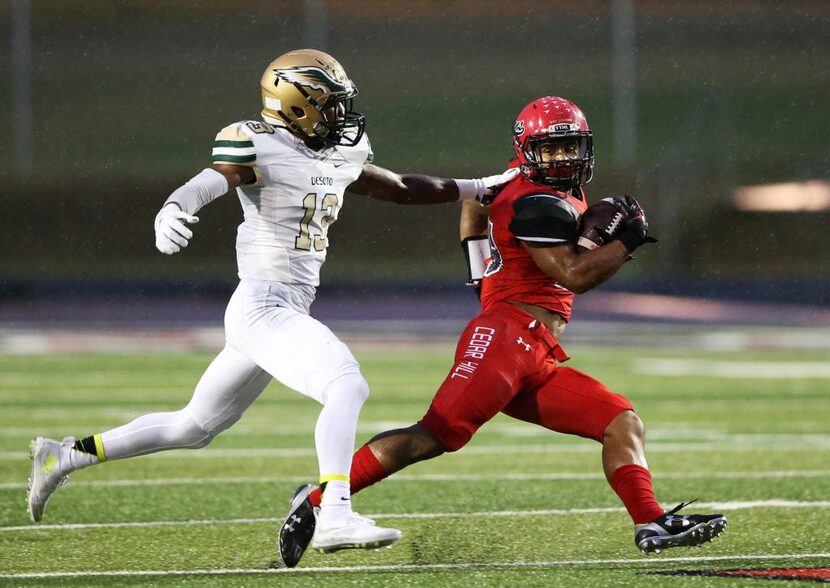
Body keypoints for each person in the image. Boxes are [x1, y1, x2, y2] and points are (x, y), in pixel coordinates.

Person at [26, 49, 517, 555]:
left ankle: (64, 456)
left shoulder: (339, 150)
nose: (341, 116)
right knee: (346, 384)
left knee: (194, 426)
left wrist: (477, 186)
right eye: (330, 105)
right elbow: (216, 178)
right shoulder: (258, 142)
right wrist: (176, 205)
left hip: (281, 309)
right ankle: (334, 515)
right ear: (297, 106)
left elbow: (398, 188)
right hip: (262, 304)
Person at [278, 96, 727, 567]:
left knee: (621, 422)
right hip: (507, 336)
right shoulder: (534, 200)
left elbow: (475, 207)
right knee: (435, 435)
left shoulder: (526, 187)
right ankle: (315, 500)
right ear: (527, 149)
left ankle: (649, 520)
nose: (563, 158)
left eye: (570, 146)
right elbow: (573, 276)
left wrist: (481, 275)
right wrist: (628, 239)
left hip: (536, 348)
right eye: (550, 149)